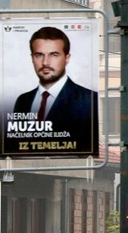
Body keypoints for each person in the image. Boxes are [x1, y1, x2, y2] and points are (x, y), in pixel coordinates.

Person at [10, 26, 99, 155]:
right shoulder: (23, 101)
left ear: (67, 58)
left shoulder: (89, 100)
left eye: (54, 55)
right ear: (32, 58)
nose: (45, 62)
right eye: (39, 55)